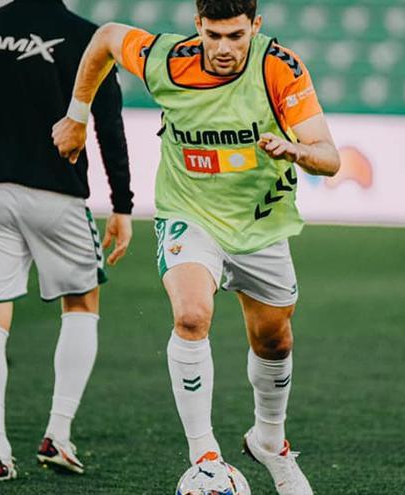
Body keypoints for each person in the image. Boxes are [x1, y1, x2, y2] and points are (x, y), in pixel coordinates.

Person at [52, 1, 340, 492]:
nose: (224, 48)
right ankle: (204, 455)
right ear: (197, 27)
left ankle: (270, 441)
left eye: (235, 36)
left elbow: (329, 158)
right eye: (214, 35)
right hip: (189, 213)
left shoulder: (279, 69)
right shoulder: (166, 59)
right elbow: (104, 39)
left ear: (256, 27)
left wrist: (298, 152)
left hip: (261, 224)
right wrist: (77, 115)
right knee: (190, 316)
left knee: (275, 339)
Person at [0, 0, 133, 481]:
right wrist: (123, 204)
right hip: (58, 194)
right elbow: (109, 124)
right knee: (81, 304)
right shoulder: (88, 37)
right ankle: (58, 433)